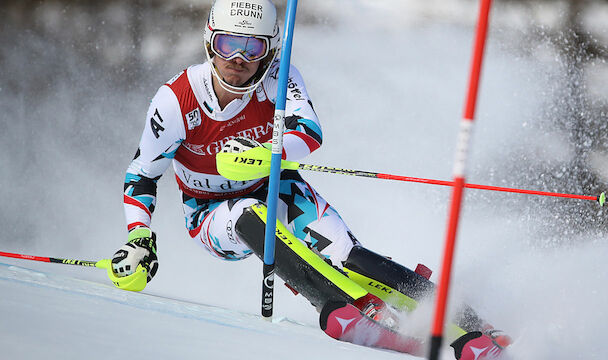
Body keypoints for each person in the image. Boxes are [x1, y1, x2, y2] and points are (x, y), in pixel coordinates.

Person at [108, 0, 510, 358]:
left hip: (279, 186)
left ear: (271, 51)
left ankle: (473, 326)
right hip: (210, 213)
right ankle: (342, 304)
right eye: (230, 44)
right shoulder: (176, 99)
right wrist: (139, 236)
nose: (239, 59)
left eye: (254, 48)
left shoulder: (279, 79)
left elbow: (309, 133)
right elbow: (142, 173)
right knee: (249, 213)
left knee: (348, 255)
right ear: (210, 42)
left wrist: (262, 157)